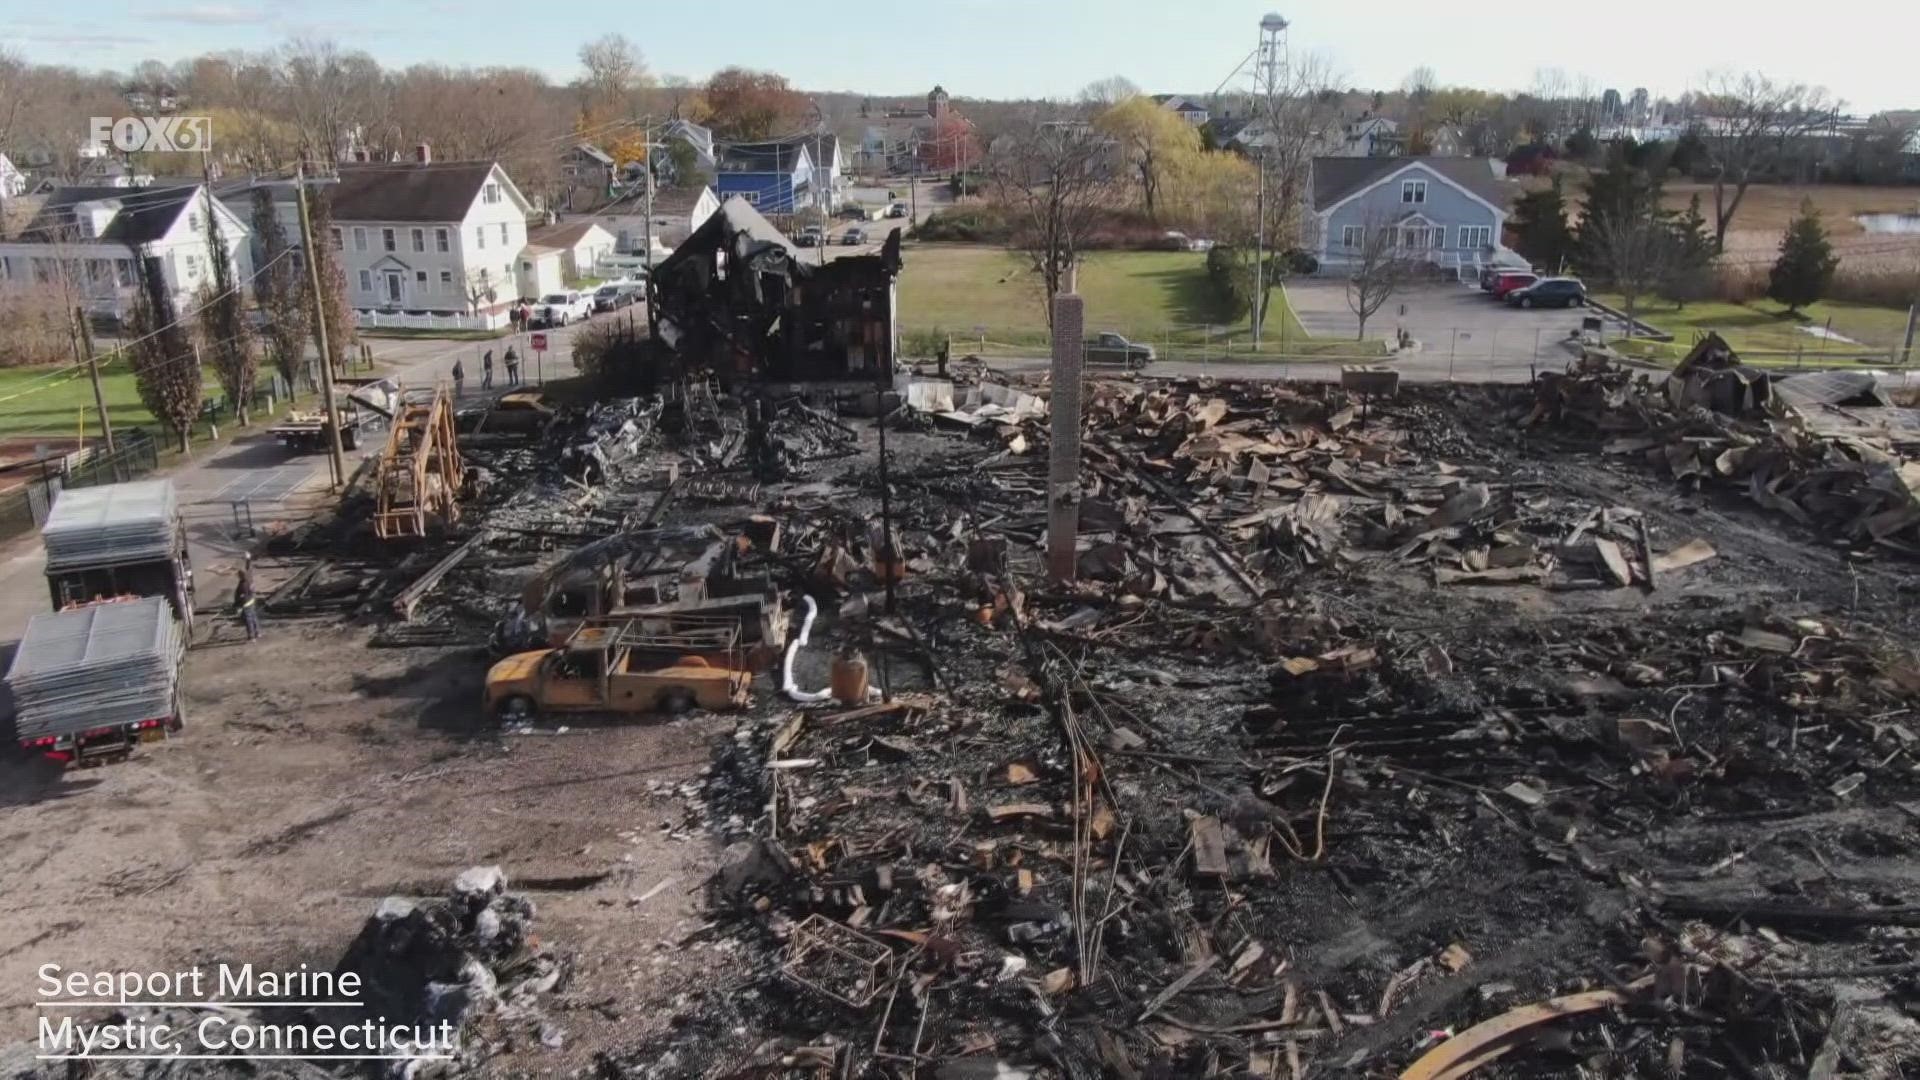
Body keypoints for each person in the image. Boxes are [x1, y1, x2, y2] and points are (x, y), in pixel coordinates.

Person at [234, 558, 260, 642]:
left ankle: (251, 636)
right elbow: (249, 569)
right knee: (254, 617)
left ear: (240, 576)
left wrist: (237, 605)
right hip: (252, 600)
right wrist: (248, 559)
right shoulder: (250, 577)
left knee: (248, 620)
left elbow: (241, 597)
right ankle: (258, 633)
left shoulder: (242, 585)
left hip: (246, 604)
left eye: (238, 575)